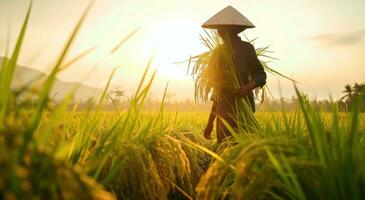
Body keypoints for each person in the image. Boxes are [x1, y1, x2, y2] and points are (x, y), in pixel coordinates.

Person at [202, 6, 267, 143]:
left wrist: (247, 88)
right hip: (223, 111)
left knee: (246, 148)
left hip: (244, 107)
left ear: (230, 31)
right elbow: (217, 90)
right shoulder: (218, 53)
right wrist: (210, 123)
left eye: (221, 30)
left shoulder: (247, 49)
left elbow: (261, 75)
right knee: (225, 150)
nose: (218, 33)